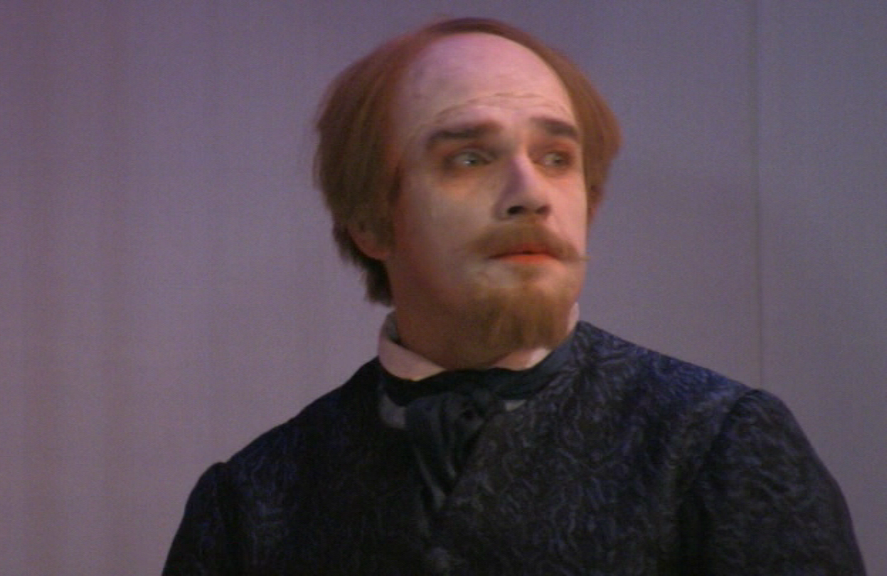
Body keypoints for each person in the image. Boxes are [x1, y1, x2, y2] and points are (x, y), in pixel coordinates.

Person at [162, 17, 865, 575]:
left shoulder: (721, 444)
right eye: (468, 158)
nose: (531, 194)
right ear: (372, 221)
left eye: (557, 158)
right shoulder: (250, 502)